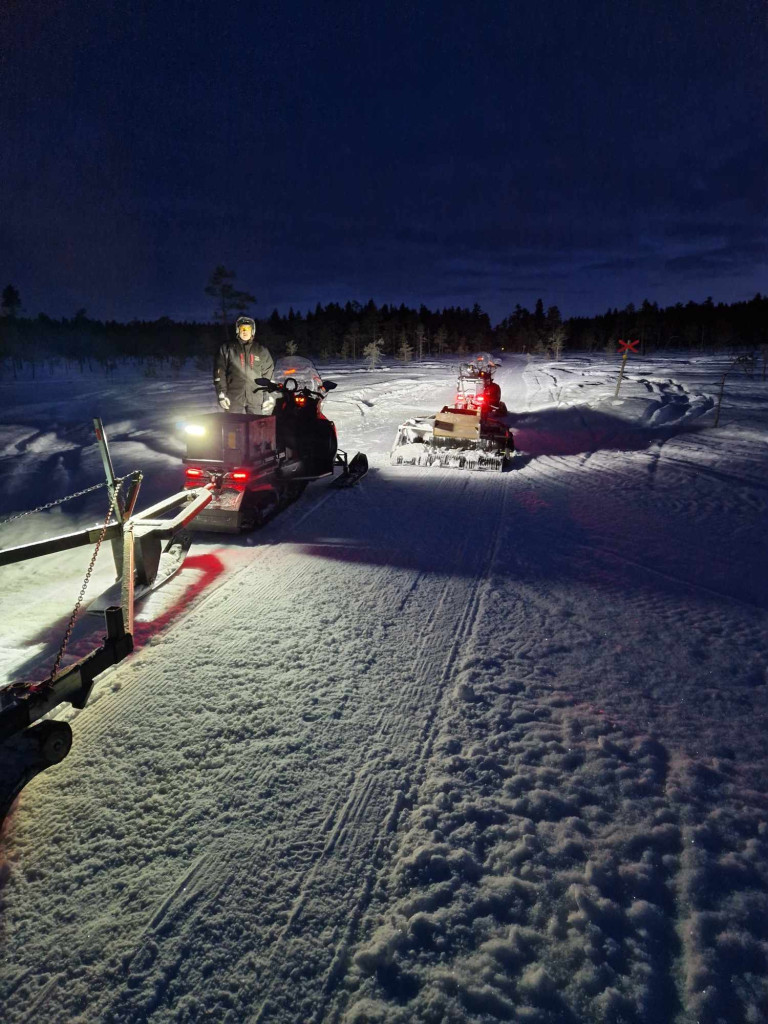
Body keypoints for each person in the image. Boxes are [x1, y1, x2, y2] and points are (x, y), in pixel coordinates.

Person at [213, 316, 275, 414]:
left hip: (255, 399)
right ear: (238, 330)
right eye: (242, 328)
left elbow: (268, 375)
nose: (245, 331)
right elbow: (220, 373)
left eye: (248, 329)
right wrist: (222, 394)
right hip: (233, 398)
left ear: (253, 331)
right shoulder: (227, 349)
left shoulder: (261, 350)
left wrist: (268, 396)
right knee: (233, 428)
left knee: (256, 427)